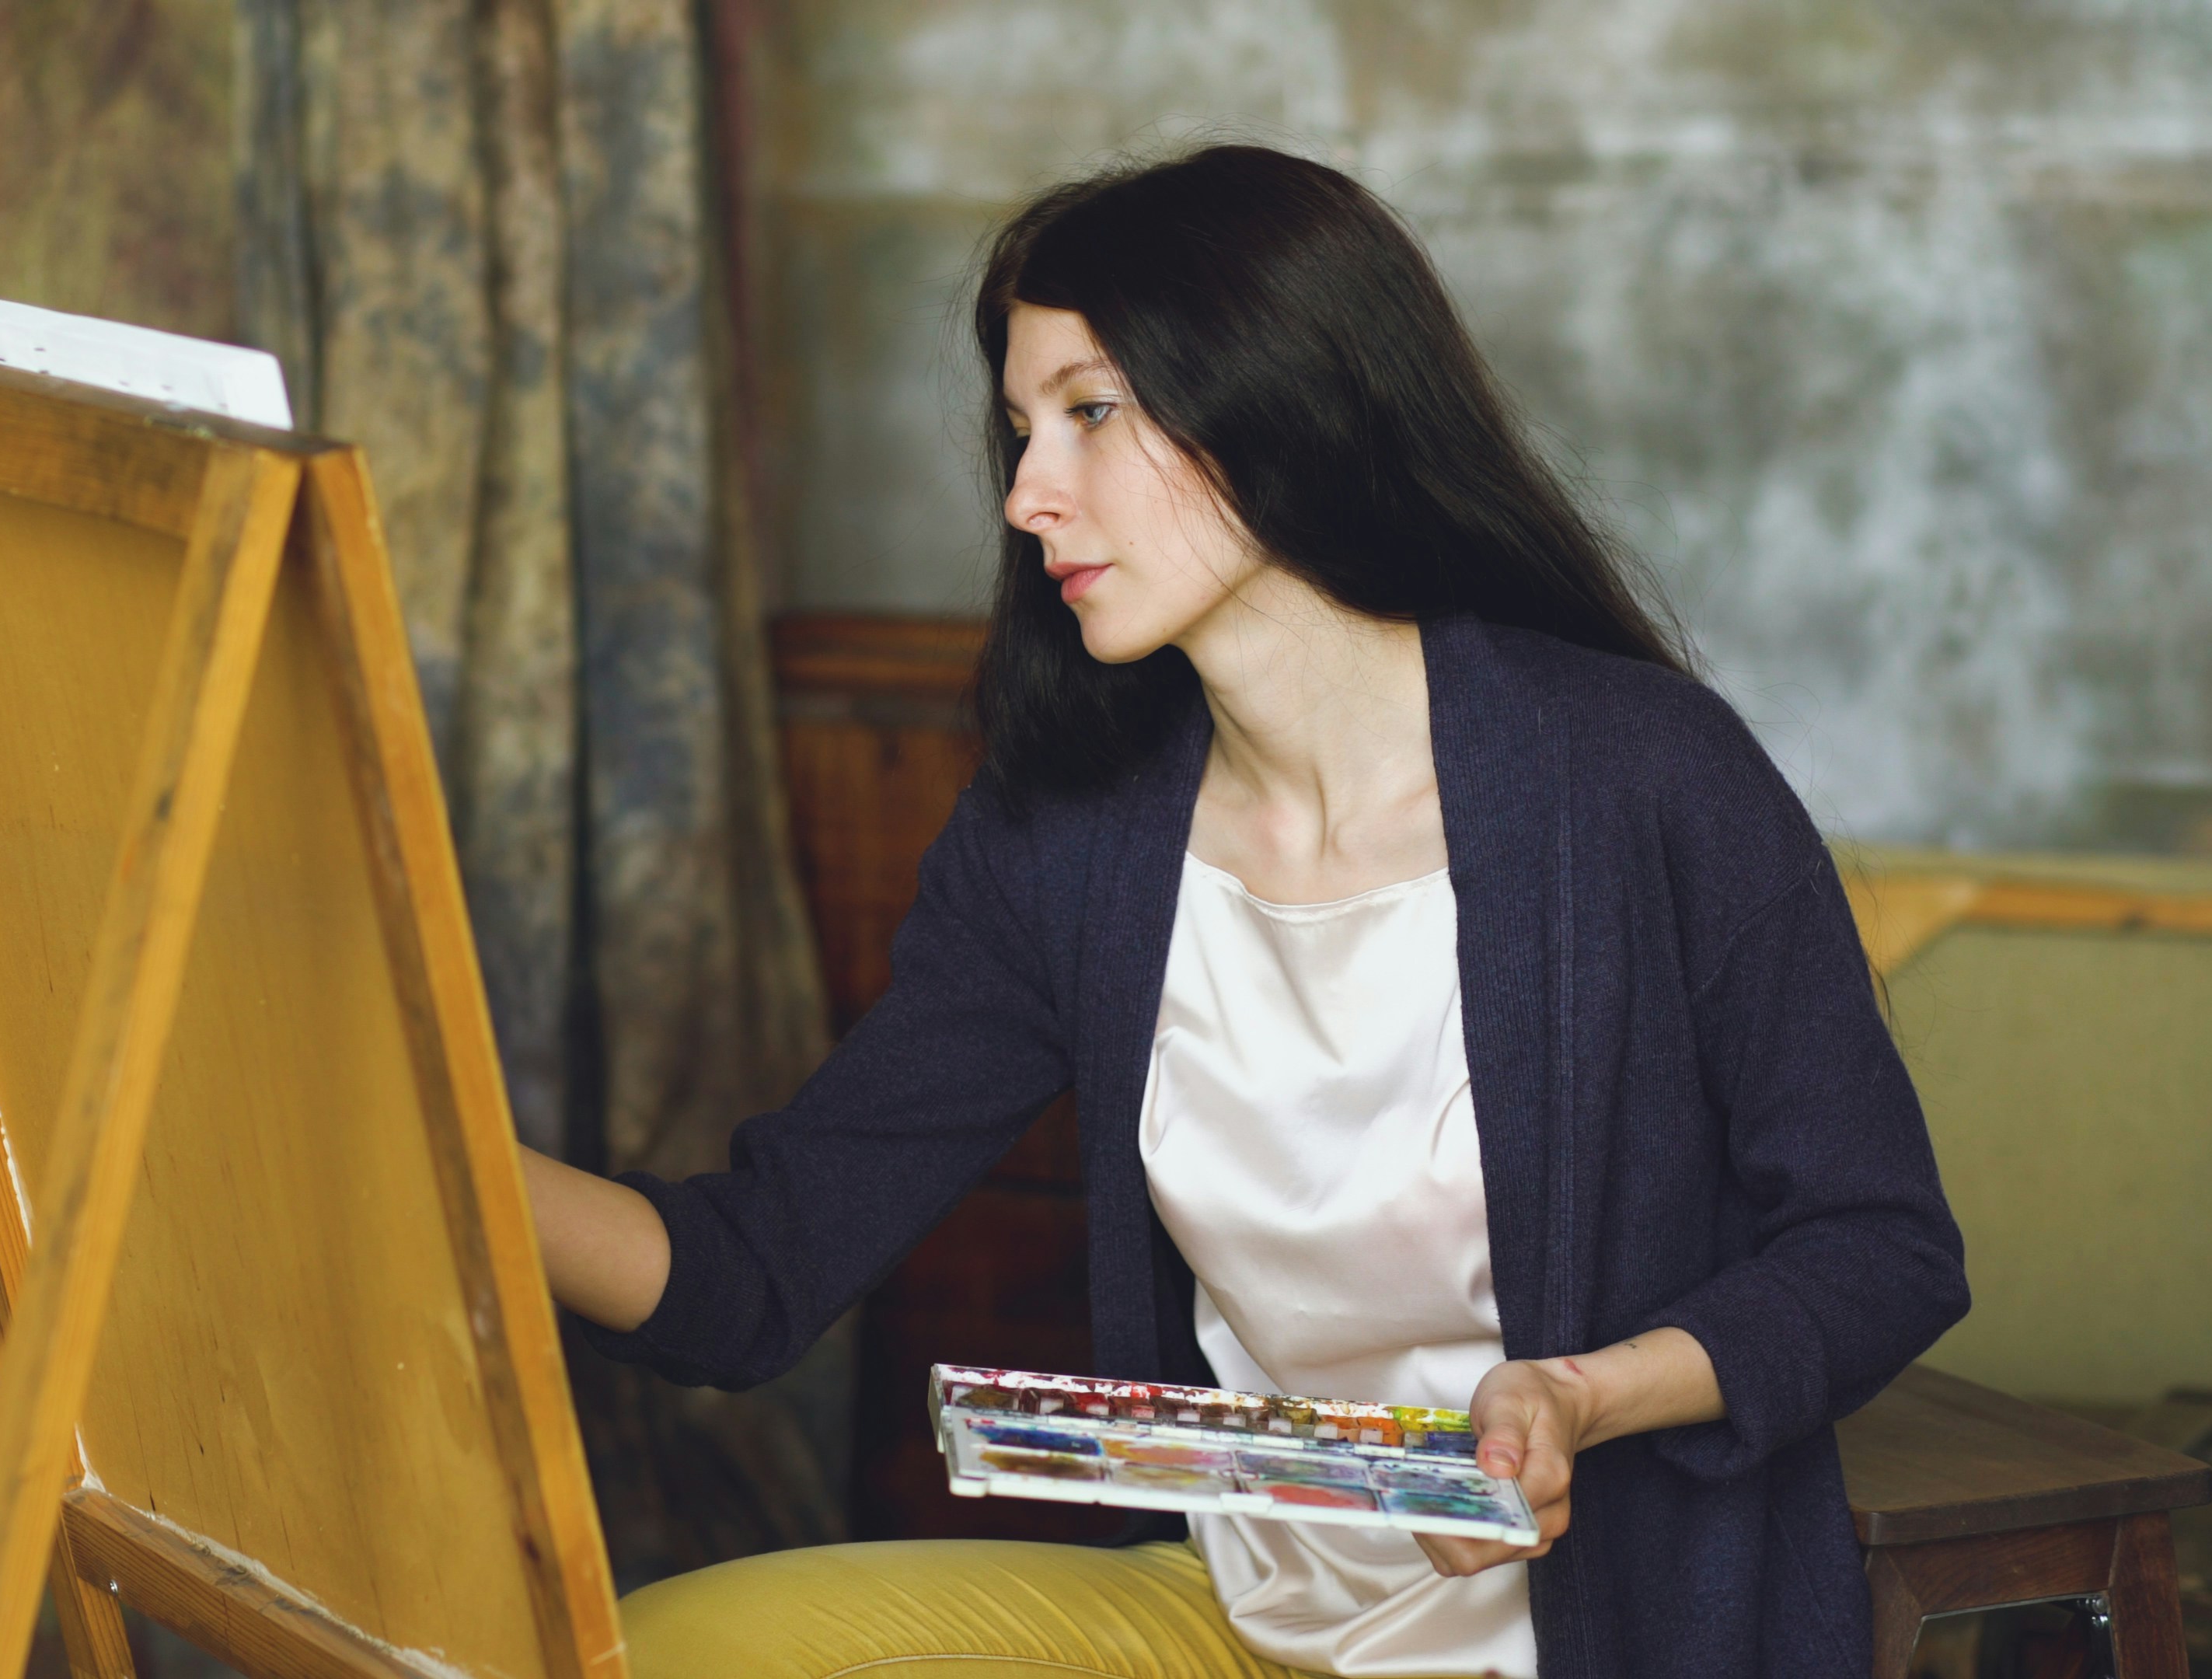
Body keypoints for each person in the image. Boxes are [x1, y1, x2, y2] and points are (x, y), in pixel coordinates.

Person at [518, 144, 1967, 1679]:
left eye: (1089, 414)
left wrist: (1587, 1398)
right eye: (1019, 429)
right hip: (1231, 1621)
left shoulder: (1639, 778)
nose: (1025, 494)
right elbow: (752, 1274)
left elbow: (1881, 1247)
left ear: (1276, 397)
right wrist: (423, 1147)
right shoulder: (1061, 847)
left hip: (1585, 1636)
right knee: (654, 1653)